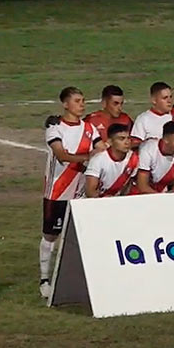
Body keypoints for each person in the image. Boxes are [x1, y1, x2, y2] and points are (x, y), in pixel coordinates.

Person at [39, 87, 105, 298]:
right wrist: (88, 157)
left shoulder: (89, 128)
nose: (82, 104)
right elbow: (61, 155)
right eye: (77, 100)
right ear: (65, 104)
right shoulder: (55, 128)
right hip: (57, 192)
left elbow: (102, 149)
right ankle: (44, 279)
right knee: (51, 235)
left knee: (83, 235)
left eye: (83, 100)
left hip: (80, 192)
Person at [84, 123, 138, 197]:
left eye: (128, 138)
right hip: (94, 203)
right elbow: (90, 192)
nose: (127, 142)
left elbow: (128, 186)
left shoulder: (133, 158)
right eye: (121, 139)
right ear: (110, 142)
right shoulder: (98, 160)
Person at [134, 121, 174, 194]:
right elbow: (142, 185)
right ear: (166, 140)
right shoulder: (148, 150)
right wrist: (162, 198)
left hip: (162, 192)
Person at [130, 81, 174, 146]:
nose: (169, 101)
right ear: (154, 100)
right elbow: (135, 145)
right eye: (165, 98)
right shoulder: (143, 119)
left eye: (170, 97)